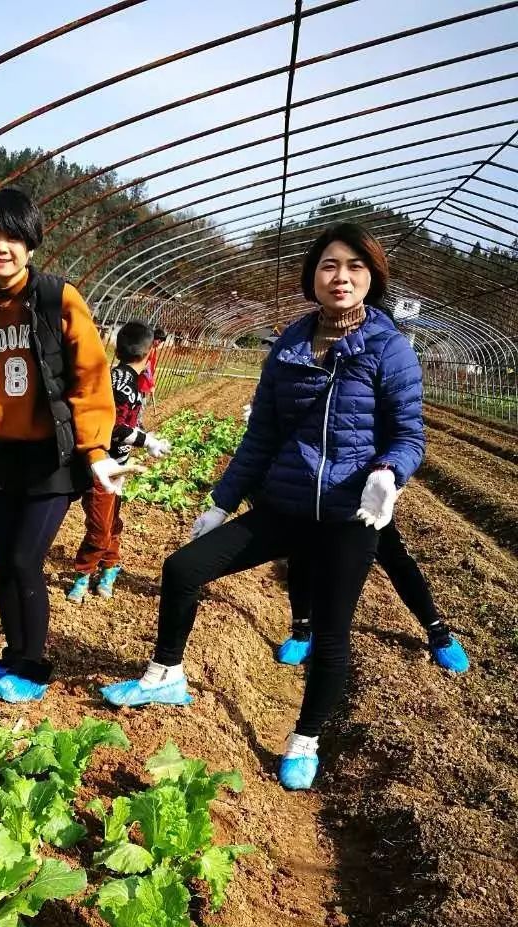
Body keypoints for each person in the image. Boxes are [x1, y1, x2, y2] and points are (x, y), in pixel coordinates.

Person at [101, 222, 425, 791]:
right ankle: (166, 674)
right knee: (183, 568)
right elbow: (262, 437)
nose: (341, 277)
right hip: (286, 504)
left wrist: (387, 472)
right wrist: (222, 503)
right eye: (329, 265)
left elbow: (409, 433)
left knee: (330, 630)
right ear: (313, 276)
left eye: (354, 266)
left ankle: (305, 739)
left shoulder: (389, 347)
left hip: (350, 516)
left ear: (371, 276)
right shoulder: (292, 344)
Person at [0, 185, 125, 704]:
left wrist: (94, 451)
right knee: (3, 560)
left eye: (11, 237)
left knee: (26, 559)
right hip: (1, 457)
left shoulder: (56, 297)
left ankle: (34, 665)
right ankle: (10, 653)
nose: (0, 247)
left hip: (52, 458)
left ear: (30, 244)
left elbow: (91, 378)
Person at [278, 518, 469, 673]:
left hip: (368, 495)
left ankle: (437, 632)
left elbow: (404, 468)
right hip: (317, 495)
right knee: (304, 552)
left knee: (396, 557)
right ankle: (302, 631)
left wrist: (391, 479)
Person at [67, 320, 170, 602]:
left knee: (113, 521)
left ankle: (110, 568)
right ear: (149, 351)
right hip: (102, 465)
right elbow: (113, 427)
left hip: (117, 465)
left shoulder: (126, 379)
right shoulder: (121, 385)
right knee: (100, 526)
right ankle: (83, 574)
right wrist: (147, 440)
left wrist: (142, 436)